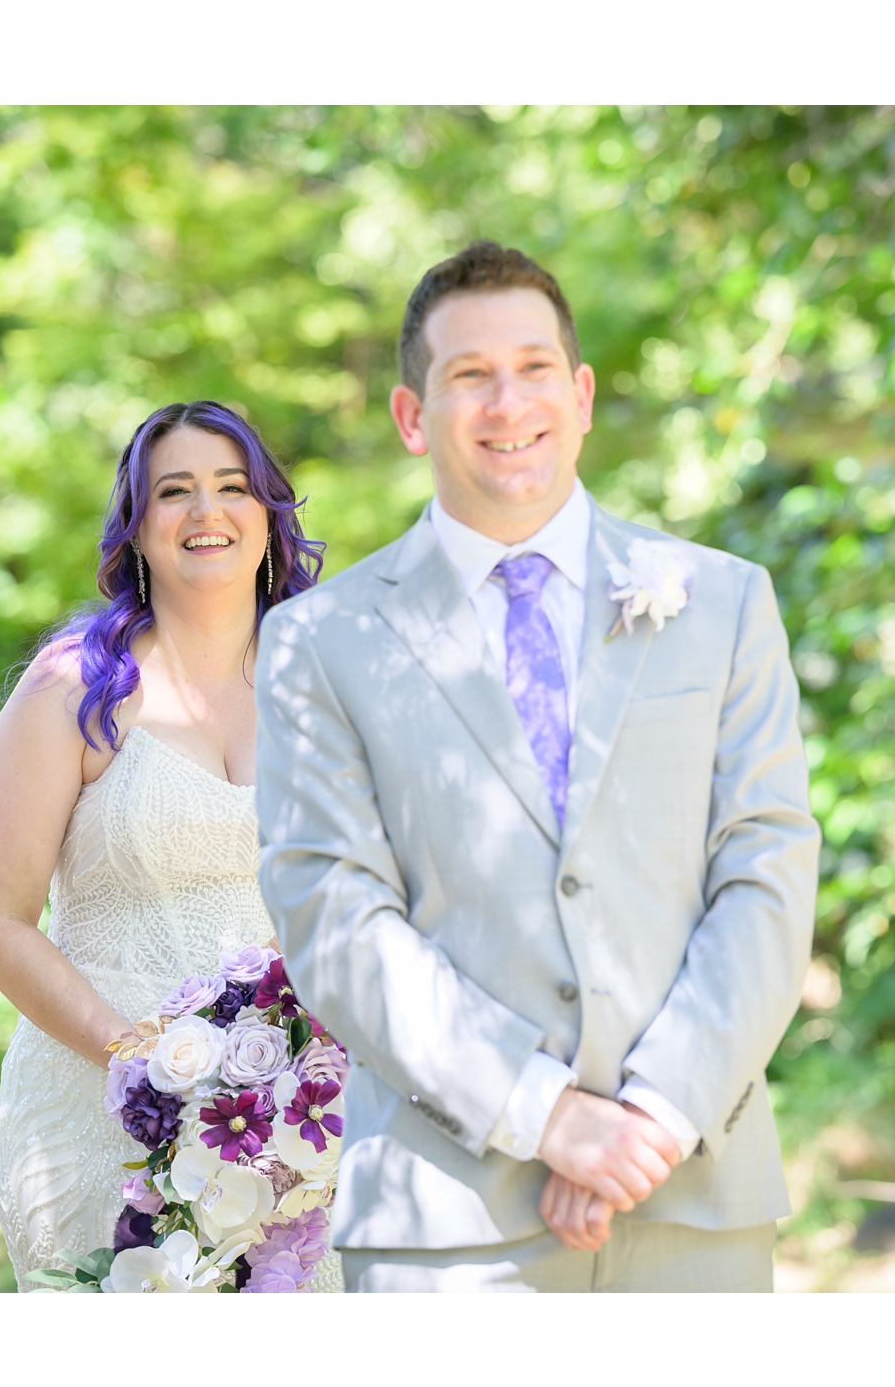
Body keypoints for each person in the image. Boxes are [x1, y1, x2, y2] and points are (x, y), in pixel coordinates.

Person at [255, 242, 821, 1291]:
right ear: (412, 416)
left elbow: (767, 871)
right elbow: (333, 913)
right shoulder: (316, 640)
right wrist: (546, 1115)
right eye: (467, 375)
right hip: (449, 1223)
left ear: (582, 393)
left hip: (693, 1195)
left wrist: (649, 1115)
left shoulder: (725, 600)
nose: (505, 400)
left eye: (532, 367)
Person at [0, 400, 339, 1291]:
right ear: (136, 528)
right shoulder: (75, 688)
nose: (206, 512)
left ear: (269, 516)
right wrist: (143, 1067)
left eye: (231, 487)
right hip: (98, 1119)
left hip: (292, 1121)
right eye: (175, 492)